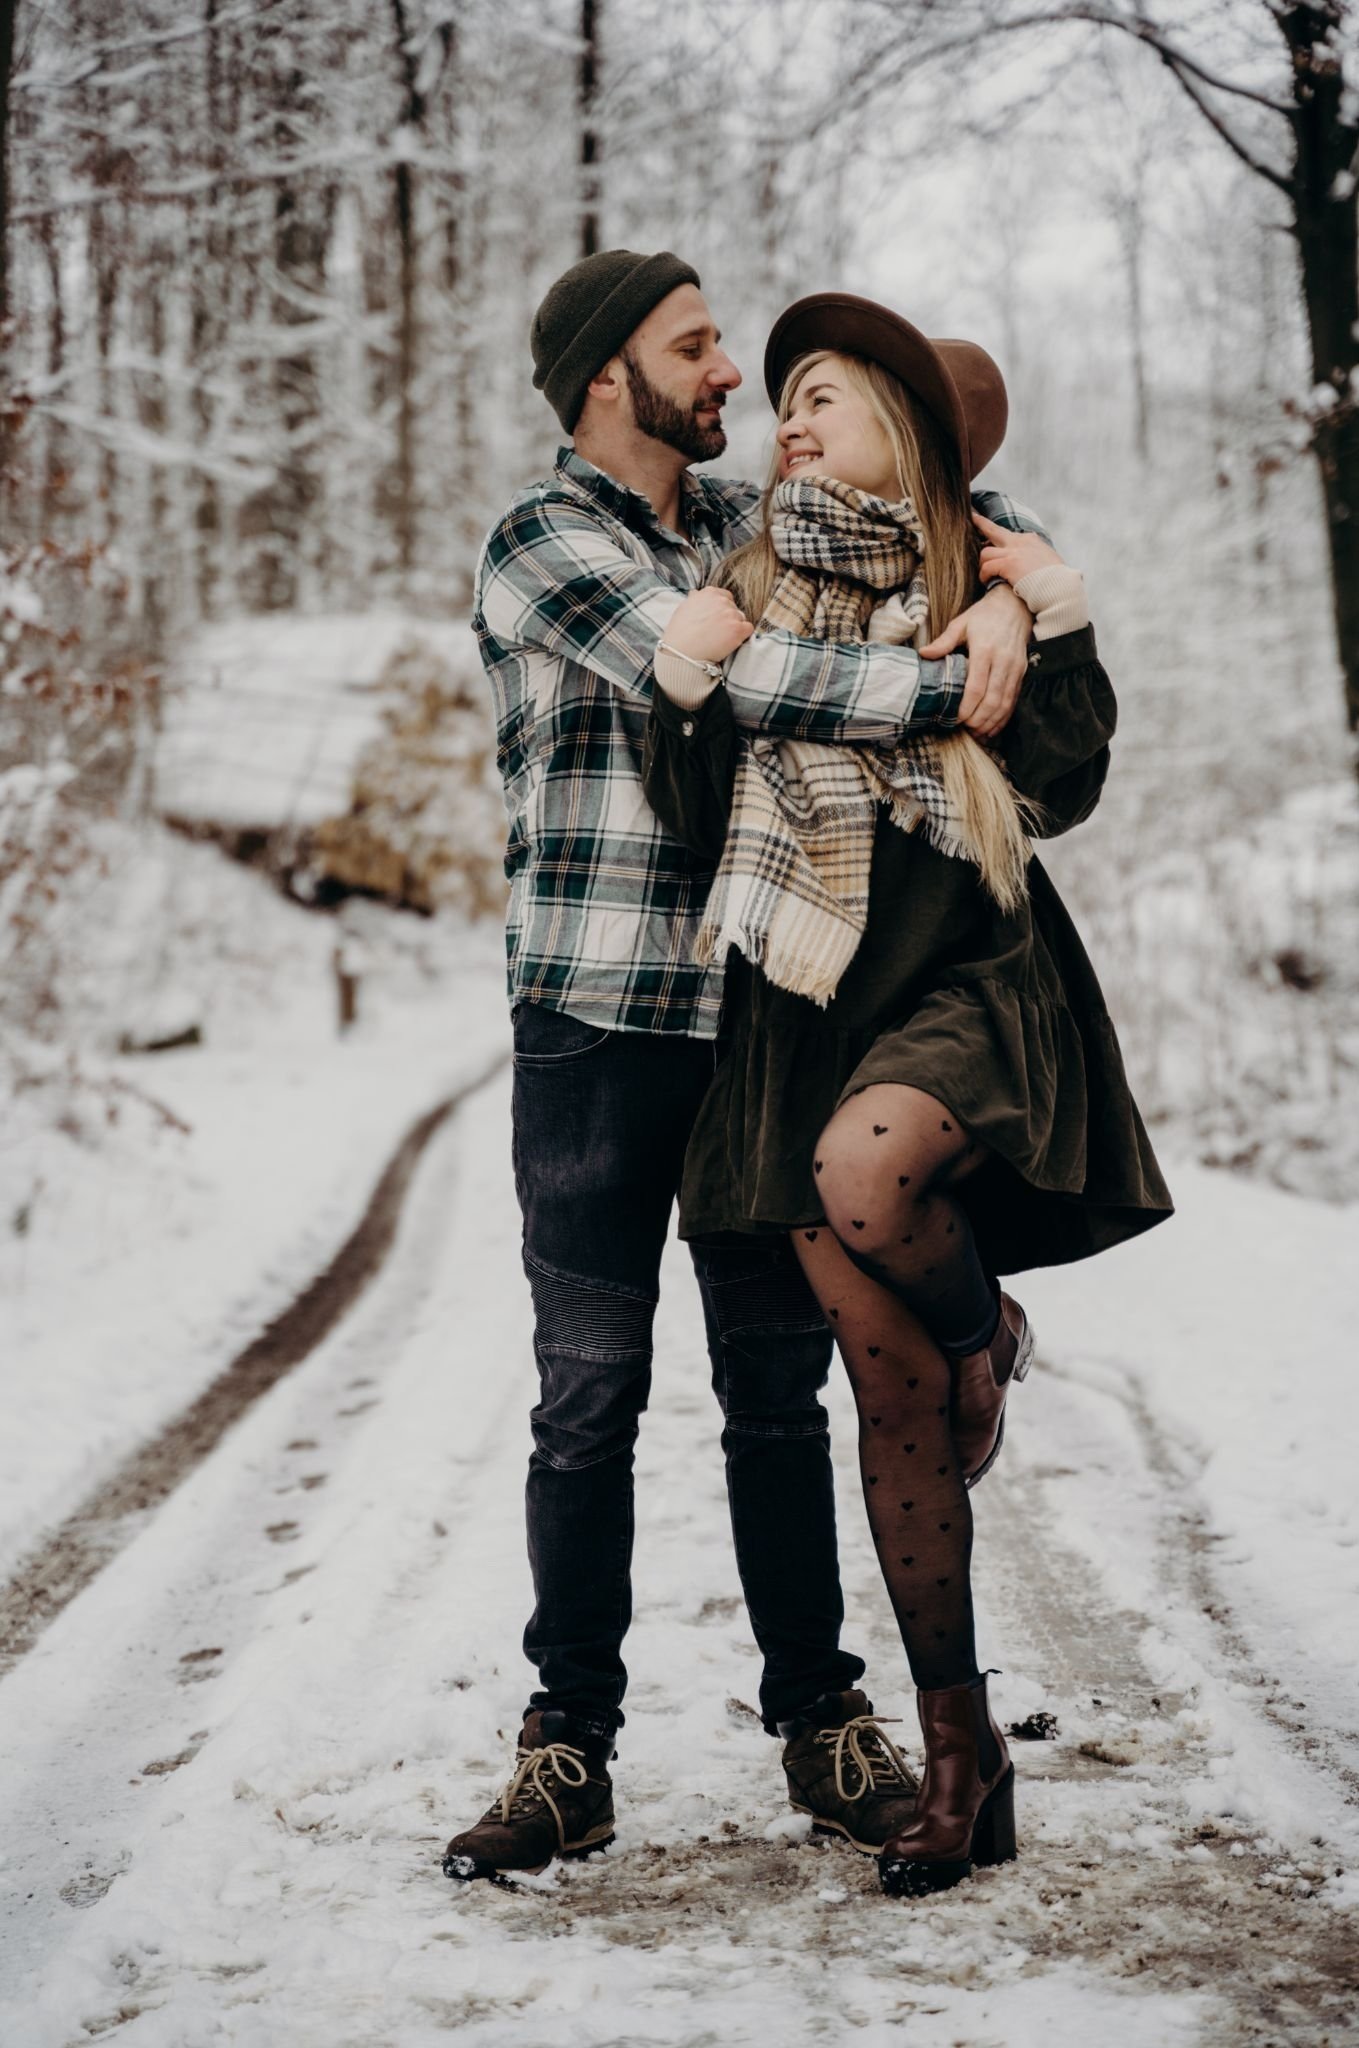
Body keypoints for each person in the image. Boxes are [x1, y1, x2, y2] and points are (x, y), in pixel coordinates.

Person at [444, 252, 1054, 1884]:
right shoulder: (546, 543)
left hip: (747, 1034)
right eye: (696, 349)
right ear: (603, 376)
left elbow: (918, 510)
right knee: (589, 1400)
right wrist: (955, 683)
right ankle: (567, 1747)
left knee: (774, 1402)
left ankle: (822, 1720)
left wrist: (1009, 588)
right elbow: (751, 674)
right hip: (587, 1024)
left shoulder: (744, 537)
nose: (726, 376)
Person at [642, 292, 1173, 1899]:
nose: (788, 422)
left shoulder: (979, 580)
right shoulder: (741, 586)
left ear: (902, 426)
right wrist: (686, 680)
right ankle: (965, 1761)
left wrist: (1051, 616)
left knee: (872, 1182)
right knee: (891, 1409)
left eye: (821, 397)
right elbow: (691, 816)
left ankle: (983, 1325)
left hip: (960, 990)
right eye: (782, 399)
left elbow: (1061, 783)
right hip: (799, 1017)